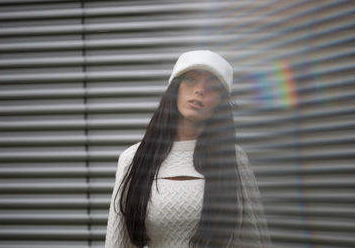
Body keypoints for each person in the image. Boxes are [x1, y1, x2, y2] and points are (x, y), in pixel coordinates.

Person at [105, 50, 271, 248]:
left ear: (220, 102)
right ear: (175, 89)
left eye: (213, 86)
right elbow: (118, 243)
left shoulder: (233, 158)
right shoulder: (133, 158)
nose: (200, 90)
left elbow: (254, 240)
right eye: (191, 80)